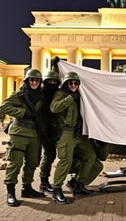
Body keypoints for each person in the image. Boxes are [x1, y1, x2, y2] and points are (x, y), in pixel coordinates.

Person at [0, 69, 45, 207]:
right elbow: (4, 107)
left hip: (34, 135)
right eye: (31, 80)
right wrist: (24, 113)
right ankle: (10, 192)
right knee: (15, 163)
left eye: (37, 80)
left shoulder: (41, 96)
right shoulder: (19, 95)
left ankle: (27, 187)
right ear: (26, 81)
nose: (34, 82)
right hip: (19, 133)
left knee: (32, 162)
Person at [51, 71, 97, 204]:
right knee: (65, 160)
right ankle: (56, 190)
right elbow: (54, 108)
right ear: (66, 83)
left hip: (79, 133)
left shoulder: (82, 95)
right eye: (70, 82)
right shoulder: (61, 94)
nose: (73, 85)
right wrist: (69, 98)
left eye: (76, 83)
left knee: (91, 156)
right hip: (66, 132)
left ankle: (79, 185)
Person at [39, 70, 60, 193]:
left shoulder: (57, 93)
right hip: (42, 129)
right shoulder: (40, 93)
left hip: (55, 128)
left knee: (51, 155)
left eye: (54, 81)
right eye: (49, 81)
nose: (52, 83)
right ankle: (43, 182)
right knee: (48, 155)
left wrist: (56, 65)